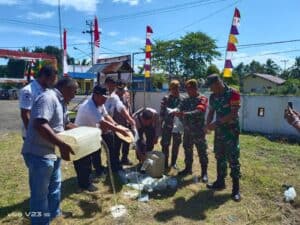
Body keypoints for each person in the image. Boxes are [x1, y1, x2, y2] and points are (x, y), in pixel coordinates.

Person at [22, 77, 78, 224]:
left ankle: (54, 214)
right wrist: (61, 144)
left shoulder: (62, 102)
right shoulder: (48, 98)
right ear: (66, 88)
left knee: (55, 186)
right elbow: (40, 124)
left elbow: (65, 124)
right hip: (39, 154)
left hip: (52, 153)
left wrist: (86, 131)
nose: (75, 94)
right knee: (39, 195)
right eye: (74, 90)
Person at [74, 85, 130, 191]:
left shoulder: (99, 103)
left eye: (106, 98)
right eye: (103, 98)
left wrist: (116, 125)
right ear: (95, 95)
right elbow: (102, 122)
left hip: (91, 132)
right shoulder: (89, 106)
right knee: (83, 160)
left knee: (93, 155)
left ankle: (92, 175)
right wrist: (119, 130)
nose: (105, 100)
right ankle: (84, 184)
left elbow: (106, 115)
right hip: (81, 134)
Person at [204, 74, 241, 202]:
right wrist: (207, 124)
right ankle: (220, 181)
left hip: (231, 131)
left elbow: (233, 113)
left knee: (233, 158)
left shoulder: (233, 94)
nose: (210, 89)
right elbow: (211, 112)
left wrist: (216, 124)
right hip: (219, 132)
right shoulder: (213, 96)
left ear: (218, 83)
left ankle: (236, 189)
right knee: (219, 156)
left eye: (211, 86)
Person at [174, 79, 209, 183]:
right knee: (187, 149)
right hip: (187, 130)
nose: (188, 91)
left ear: (196, 88)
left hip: (198, 130)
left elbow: (199, 111)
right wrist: (177, 111)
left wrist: (184, 114)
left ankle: (204, 173)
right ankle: (188, 169)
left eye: (190, 89)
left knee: (201, 151)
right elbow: (179, 107)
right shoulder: (185, 99)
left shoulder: (202, 98)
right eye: (187, 89)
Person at [19, 65, 58, 140]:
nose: (53, 82)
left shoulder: (47, 90)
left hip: (44, 132)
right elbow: (25, 114)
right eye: (52, 79)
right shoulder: (28, 91)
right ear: (44, 76)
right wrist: (32, 133)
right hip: (33, 134)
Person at [160, 80, 182, 170]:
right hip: (167, 125)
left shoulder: (182, 99)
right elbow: (161, 112)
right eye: (173, 88)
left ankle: (173, 163)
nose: (175, 90)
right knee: (165, 144)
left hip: (178, 126)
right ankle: (164, 163)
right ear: (170, 89)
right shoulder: (166, 98)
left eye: (176, 88)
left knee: (176, 145)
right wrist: (160, 125)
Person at [113, 80, 133, 165]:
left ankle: (124, 158)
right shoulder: (112, 98)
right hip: (117, 124)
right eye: (120, 89)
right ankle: (116, 160)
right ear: (116, 89)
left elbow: (128, 108)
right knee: (117, 144)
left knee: (126, 142)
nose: (122, 91)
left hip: (126, 123)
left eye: (123, 89)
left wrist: (130, 118)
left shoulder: (126, 95)